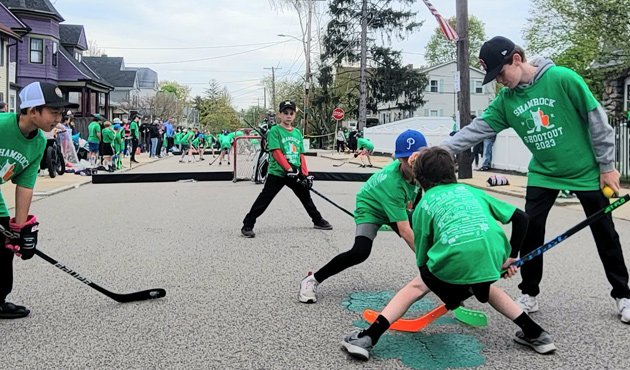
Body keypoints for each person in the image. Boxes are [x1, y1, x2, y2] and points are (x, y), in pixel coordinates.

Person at [443, 36, 630, 323]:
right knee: (531, 229)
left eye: (501, 73)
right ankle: (529, 293)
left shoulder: (562, 78)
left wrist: (607, 166)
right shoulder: (506, 101)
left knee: (605, 233)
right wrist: (436, 150)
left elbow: (598, 120)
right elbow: (476, 130)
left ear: (516, 59)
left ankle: (623, 295)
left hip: (586, 171)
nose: (500, 82)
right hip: (544, 172)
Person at [341, 147, 555, 360]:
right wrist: (511, 257)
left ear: (418, 177)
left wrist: (447, 293)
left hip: (453, 266)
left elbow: (423, 257)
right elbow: (522, 219)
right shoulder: (473, 191)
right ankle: (537, 334)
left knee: (417, 285)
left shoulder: (424, 205)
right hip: (491, 260)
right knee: (486, 287)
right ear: (452, 172)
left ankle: (368, 337)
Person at [299, 130, 427, 303]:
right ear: (398, 159)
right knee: (360, 252)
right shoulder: (393, 183)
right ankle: (312, 280)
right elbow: (405, 232)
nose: (412, 164)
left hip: (395, 205)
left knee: (425, 231)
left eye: (416, 159)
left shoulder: (423, 172)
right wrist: (427, 264)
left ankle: (440, 276)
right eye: (406, 160)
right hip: (371, 206)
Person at [0, 81, 79, 319]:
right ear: (32, 111)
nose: (58, 118)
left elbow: (25, 186)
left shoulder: (38, 143)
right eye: (53, 112)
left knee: (3, 243)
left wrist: (19, 229)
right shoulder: (2, 124)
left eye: (60, 113)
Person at [241, 100, 332, 238]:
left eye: (291, 113)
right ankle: (247, 224)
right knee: (264, 199)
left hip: (295, 171)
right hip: (278, 172)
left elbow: (301, 154)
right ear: (280, 115)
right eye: (285, 113)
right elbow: (276, 152)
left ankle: (317, 220)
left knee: (306, 197)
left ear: (294, 115)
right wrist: (288, 169)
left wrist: (305, 174)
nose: (288, 115)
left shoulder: (297, 133)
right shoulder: (275, 131)